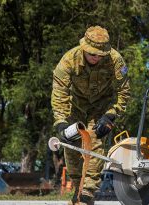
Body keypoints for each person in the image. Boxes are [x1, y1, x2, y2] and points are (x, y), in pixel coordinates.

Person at [51, 26, 130, 205]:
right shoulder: (68, 60)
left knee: (94, 141)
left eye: (101, 54)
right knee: (71, 144)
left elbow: (123, 92)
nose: (97, 57)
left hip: (101, 107)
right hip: (75, 106)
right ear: (84, 48)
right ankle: (78, 189)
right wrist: (61, 122)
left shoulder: (116, 60)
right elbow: (59, 93)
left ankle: (87, 193)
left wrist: (111, 115)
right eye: (93, 54)